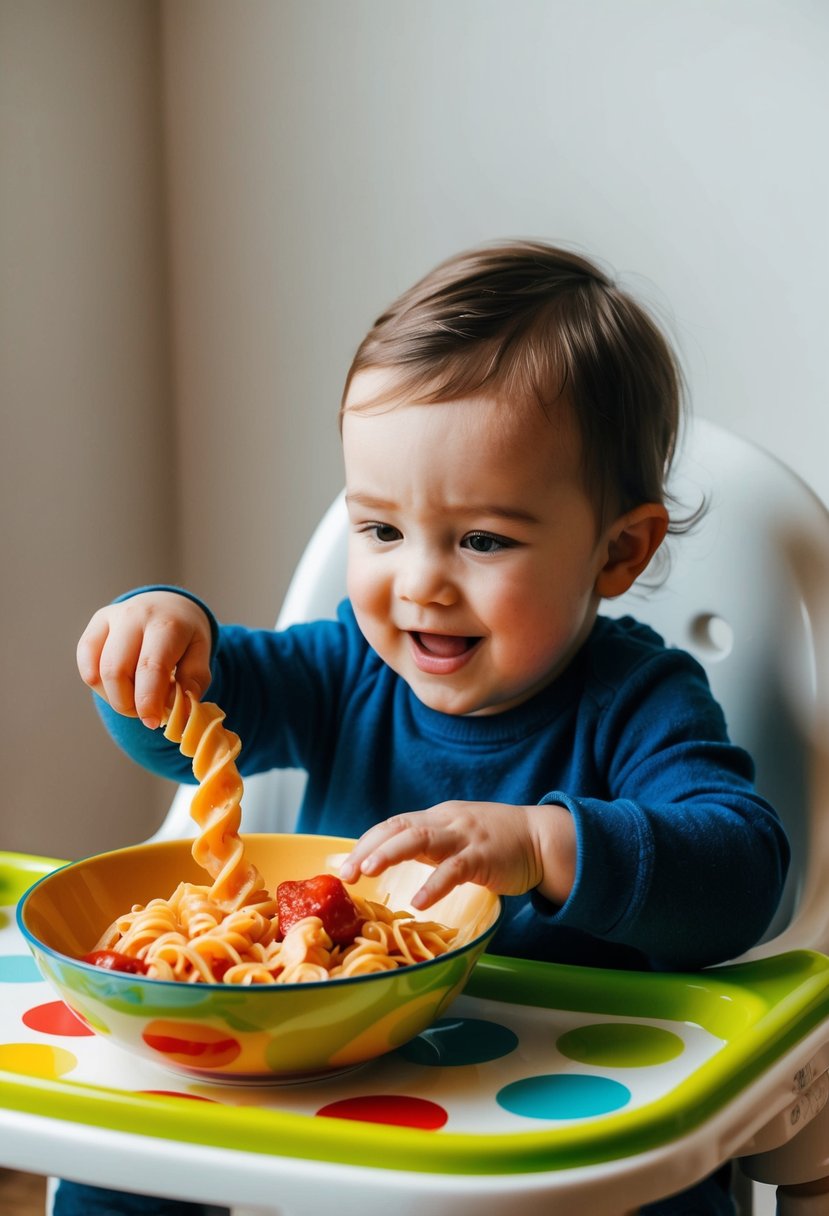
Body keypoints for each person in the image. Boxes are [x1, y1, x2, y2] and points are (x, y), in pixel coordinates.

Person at [60, 241, 789, 1216]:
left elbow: (742, 873)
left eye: (482, 539)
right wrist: (156, 641)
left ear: (618, 551)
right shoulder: (343, 669)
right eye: (379, 529)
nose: (419, 583)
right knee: (120, 1154)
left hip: (563, 1113)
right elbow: (198, 713)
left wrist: (542, 842)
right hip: (338, 1083)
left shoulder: (639, 701)